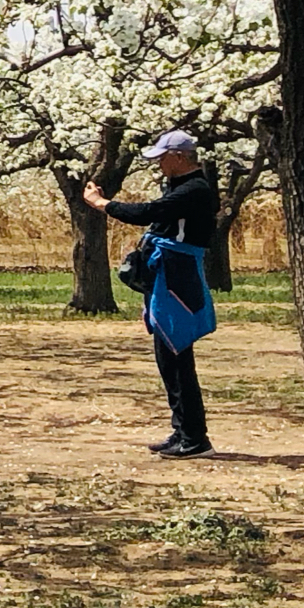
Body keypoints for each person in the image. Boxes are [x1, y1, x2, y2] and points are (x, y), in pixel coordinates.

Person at [85, 128, 219, 457]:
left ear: (178, 157)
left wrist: (102, 204)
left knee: (176, 355)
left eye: (161, 157)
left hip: (179, 278)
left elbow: (148, 213)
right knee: (168, 358)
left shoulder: (195, 189)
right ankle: (183, 431)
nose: (158, 162)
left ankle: (195, 439)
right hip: (168, 275)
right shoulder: (182, 187)